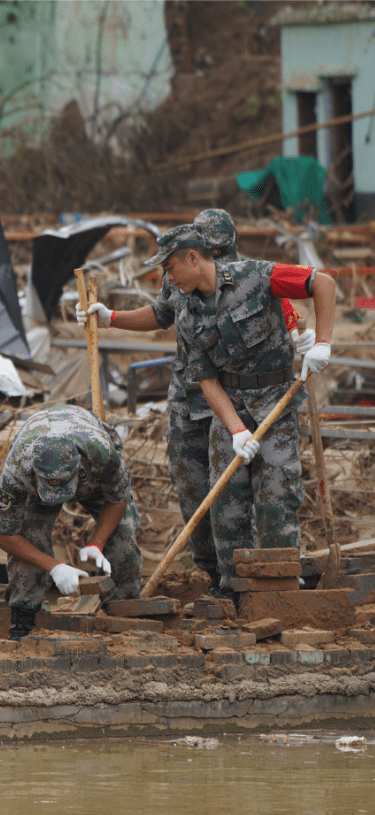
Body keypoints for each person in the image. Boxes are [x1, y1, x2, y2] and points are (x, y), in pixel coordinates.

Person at [76, 209, 315, 597]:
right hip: (195, 398)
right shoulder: (181, 281)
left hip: (245, 397)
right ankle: (218, 576)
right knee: (199, 491)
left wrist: (305, 337)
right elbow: (160, 314)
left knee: (261, 489)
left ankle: (267, 575)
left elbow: (288, 308)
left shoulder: (245, 276)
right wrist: (111, 318)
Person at [153, 224, 335, 598]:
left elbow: (323, 282)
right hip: (229, 410)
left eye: (170, 267)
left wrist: (323, 341)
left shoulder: (257, 276)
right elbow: (206, 380)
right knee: (227, 505)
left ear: (193, 258)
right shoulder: (186, 314)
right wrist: (236, 431)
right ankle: (233, 589)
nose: (167, 278)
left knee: (275, 497)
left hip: (276, 404)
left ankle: (280, 586)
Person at [0, 405, 140, 640]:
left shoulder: (101, 453)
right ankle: (23, 623)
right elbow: (4, 535)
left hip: (92, 478)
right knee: (30, 541)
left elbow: (118, 499)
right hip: (35, 489)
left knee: (124, 541)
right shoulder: (17, 469)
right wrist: (55, 566)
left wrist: (96, 544)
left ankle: (123, 620)